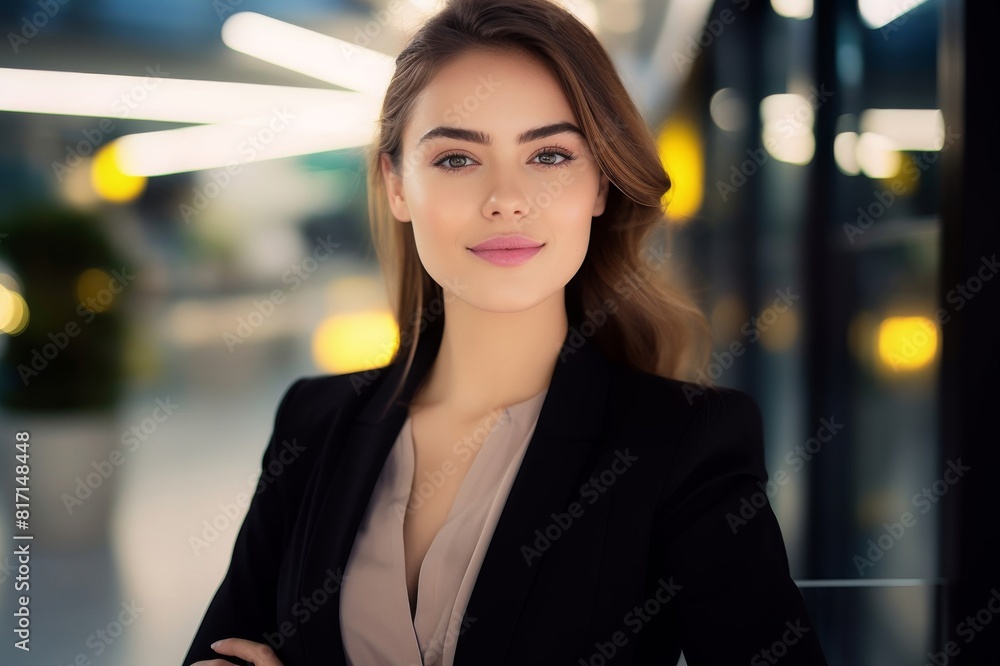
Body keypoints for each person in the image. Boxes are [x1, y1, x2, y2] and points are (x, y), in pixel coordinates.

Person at [183, 0, 829, 664]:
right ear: (397, 184)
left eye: (549, 155)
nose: (506, 199)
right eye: (457, 159)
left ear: (601, 185)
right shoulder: (312, 424)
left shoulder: (683, 444)